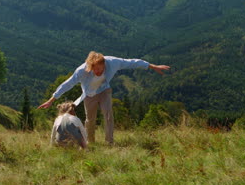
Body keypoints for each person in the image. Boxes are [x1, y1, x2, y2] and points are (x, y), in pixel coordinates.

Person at [38, 51, 170, 144]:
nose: (99, 72)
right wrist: (52, 99)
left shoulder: (112, 62)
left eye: (101, 69)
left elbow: (131, 62)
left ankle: (109, 142)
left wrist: (152, 66)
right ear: (90, 66)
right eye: (95, 70)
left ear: (104, 64)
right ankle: (90, 141)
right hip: (89, 94)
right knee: (90, 119)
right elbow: (68, 83)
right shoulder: (81, 71)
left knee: (108, 115)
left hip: (104, 90)